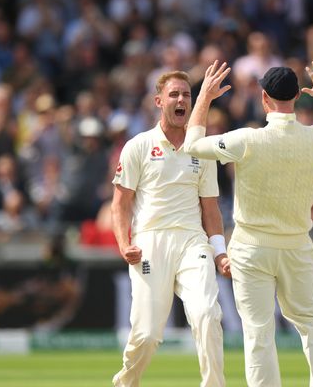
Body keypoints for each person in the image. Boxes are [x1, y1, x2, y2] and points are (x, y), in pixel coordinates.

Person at [183, 60, 313, 386]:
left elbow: (191, 145)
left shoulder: (247, 139)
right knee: (311, 323)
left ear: (264, 98)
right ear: (296, 96)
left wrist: (204, 98)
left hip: (252, 248)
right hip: (296, 246)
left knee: (259, 331)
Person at [111, 70, 230, 387]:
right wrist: (124, 244)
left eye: (187, 95)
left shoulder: (201, 150)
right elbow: (120, 204)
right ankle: (126, 382)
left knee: (208, 314)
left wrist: (220, 253)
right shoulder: (138, 145)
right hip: (150, 244)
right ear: (158, 101)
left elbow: (211, 208)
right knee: (147, 333)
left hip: (193, 242)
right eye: (174, 94)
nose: (181, 100)